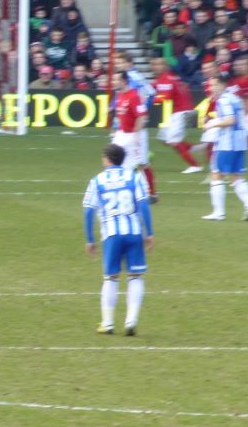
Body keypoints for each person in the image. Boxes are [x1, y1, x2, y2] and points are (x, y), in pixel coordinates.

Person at [83, 143, 152, 336]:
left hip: (111, 234)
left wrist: (90, 239)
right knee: (135, 276)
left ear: (106, 159)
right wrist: (150, 232)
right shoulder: (134, 177)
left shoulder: (97, 180)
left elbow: (88, 210)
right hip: (134, 232)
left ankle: (108, 323)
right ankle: (131, 320)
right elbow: (144, 204)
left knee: (111, 278)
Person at [203, 74, 248, 221]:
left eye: (214, 85)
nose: (212, 88)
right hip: (240, 142)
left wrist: (212, 123)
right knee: (236, 177)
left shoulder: (224, 100)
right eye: (211, 85)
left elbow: (230, 120)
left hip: (227, 143)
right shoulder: (235, 98)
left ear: (222, 85)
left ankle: (218, 213)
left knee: (216, 174)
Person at [150, 57, 202, 173]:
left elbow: (165, 98)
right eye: (154, 65)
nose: (155, 67)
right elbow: (152, 88)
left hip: (182, 112)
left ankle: (195, 165)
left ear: (165, 66)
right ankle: (192, 148)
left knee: (173, 141)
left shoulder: (166, 79)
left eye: (158, 64)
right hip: (179, 111)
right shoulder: (166, 78)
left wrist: (150, 100)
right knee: (163, 139)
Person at [111, 70, 156, 202]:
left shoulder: (134, 96)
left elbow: (141, 116)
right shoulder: (119, 95)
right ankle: (122, 190)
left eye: (116, 79)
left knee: (141, 164)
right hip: (122, 133)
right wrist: (116, 130)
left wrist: (135, 135)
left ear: (124, 81)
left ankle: (151, 193)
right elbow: (121, 115)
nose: (113, 82)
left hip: (135, 134)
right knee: (114, 159)